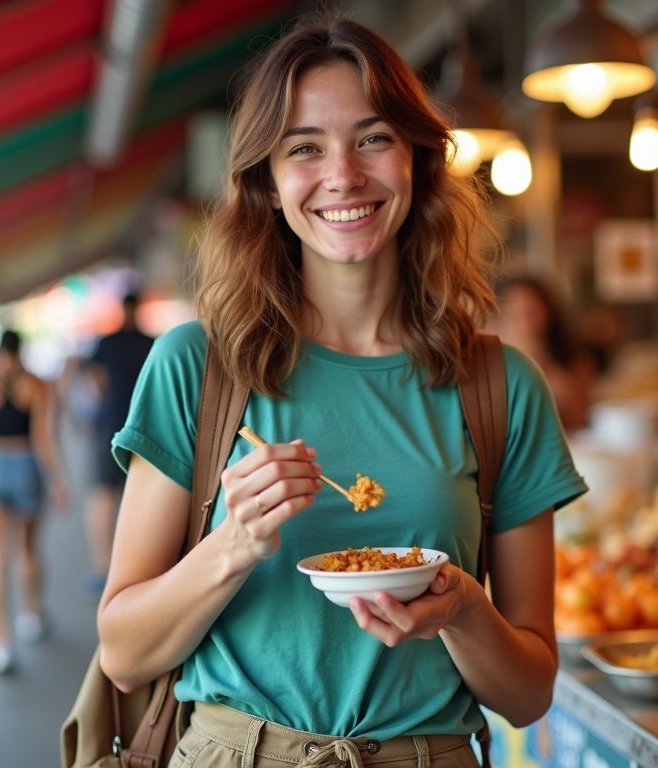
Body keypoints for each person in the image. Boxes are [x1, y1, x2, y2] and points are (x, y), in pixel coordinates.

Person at [96, 18, 587, 767]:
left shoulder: (501, 385)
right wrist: (236, 542)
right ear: (266, 180)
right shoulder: (197, 366)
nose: (344, 174)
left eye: (373, 138)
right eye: (304, 148)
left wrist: (461, 610)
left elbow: (528, 695)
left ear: (417, 161)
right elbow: (124, 655)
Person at [0, 329, 69, 674]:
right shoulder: (36, 385)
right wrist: (58, 482)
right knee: (28, 549)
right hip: (25, 466)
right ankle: (32, 614)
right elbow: (44, 438)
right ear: (20, 351)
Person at [82, 293, 155, 598]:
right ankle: (143, 568)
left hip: (108, 425)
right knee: (144, 497)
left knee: (102, 496)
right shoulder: (151, 342)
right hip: (144, 426)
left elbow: (96, 381)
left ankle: (101, 568)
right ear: (138, 308)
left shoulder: (106, 343)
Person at [492, 275, 596, 431]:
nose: (525, 320)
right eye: (515, 312)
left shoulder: (573, 359)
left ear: (548, 310)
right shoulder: (491, 364)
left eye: (531, 310)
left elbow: (584, 423)